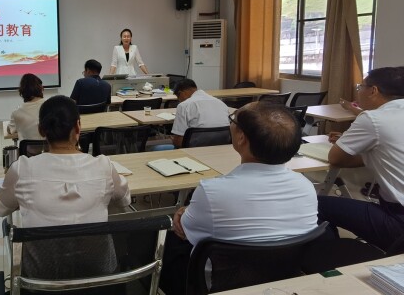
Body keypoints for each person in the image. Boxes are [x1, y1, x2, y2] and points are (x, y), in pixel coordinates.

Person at [160, 102, 318, 295]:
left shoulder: (212, 192)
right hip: (280, 281)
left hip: (216, 284)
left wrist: (185, 211)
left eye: (233, 120)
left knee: (166, 242)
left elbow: (183, 231)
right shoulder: (306, 187)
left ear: (241, 138)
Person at [0, 95, 131, 279]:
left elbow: (1, 209)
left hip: (41, 281)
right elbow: (125, 200)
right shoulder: (103, 165)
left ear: (41, 130)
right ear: (78, 127)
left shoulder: (21, 169)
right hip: (98, 278)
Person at [318, 66, 404, 252]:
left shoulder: (373, 118)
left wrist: (362, 149)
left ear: (373, 91)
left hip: (398, 222)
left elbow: (336, 158)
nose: (359, 91)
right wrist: (369, 149)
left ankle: (328, 258)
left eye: (361, 87)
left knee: (316, 204)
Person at [170, 78, 230, 148]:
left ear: (182, 93)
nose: (179, 100)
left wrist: (174, 140)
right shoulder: (221, 103)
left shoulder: (183, 106)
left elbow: (179, 143)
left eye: (178, 96)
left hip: (194, 150)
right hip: (222, 147)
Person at [7, 73, 45, 142]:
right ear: (41, 88)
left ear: (22, 91)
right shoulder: (53, 106)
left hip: (28, 149)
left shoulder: (17, 113)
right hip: (51, 148)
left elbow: (10, 130)